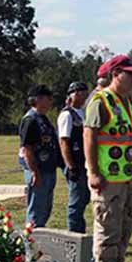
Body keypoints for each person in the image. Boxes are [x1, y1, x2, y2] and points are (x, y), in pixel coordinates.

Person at [84, 54, 132, 262]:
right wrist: (93, 172)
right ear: (116, 74)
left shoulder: (126, 101)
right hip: (107, 178)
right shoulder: (101, 101)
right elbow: (89, 136)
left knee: (124, 226)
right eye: (129, 74)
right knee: (108, 226)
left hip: (126, 176)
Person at [19, 85, 60, 227]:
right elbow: (27, 150)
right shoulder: (30, 120)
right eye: (48, 99)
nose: (50, 102)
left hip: (48, 169)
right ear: (38, 100)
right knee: (36, 212)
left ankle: (40, 242)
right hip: (38, 171)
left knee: (45, 210)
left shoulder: (43, 118)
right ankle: (30, 246)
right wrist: (34, 173)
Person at [57, 82, 90, 233]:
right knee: (76, 201)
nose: (85, 96)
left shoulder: (81, 113)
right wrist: (70, 166)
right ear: (75, 94)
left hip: (84, 162)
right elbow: (64, 142)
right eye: (83, 93)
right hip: (74, 163)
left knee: (84, 198)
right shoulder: (67, 115)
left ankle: (80, 231)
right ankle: (74, 235)